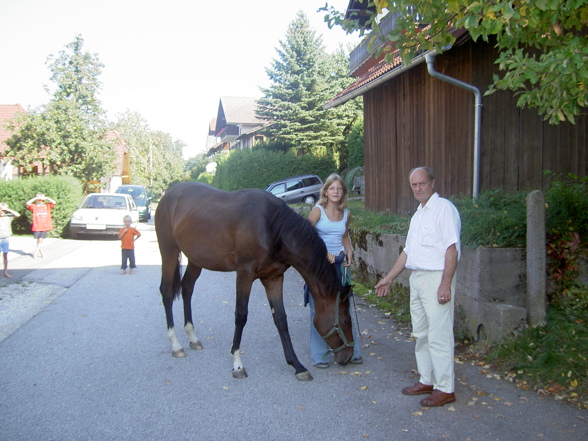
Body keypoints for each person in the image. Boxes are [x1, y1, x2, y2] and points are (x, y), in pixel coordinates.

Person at [375, 167, 461, 407]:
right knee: (421, 334)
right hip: (418, 278)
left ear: (432, 183)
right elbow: (408, 252)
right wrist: (389, 278)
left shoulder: (444, 209)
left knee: (439, 335)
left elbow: (451, 249)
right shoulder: (417, 216)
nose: (418, 188)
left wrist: (445, 284)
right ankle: (427, 380)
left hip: (437, 279)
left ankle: (445, 388)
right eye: (414, 185)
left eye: (422, 183)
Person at [306, 173, 362, 368]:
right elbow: (306, 236)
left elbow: (344, 236)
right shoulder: (317, 211)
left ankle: (352, 351)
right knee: (319, 309)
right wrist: (323, 252)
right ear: (326, 192)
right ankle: (320, 356)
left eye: (339, 188)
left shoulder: (346, 214)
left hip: (340, 264)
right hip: (320, 267)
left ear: (343, 192)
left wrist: (349, 252)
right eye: (332, 188)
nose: (336, 192)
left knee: (344, 308)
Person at [26, 193, 56, 258]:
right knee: (39, 240)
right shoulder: (34, 206)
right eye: (39, 200)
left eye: (42, 200)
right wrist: (36, 198)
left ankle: (37, 253)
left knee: (40, 240)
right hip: (37, 225)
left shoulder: (47, 205)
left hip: (44, 225)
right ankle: (40, 253)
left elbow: (54, 202)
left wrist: (47, 198)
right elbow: (28, 203)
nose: (41, 201)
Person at [0, 202, 20, 278]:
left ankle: (5, 271)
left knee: (5, 255)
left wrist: (7, 209)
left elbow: (17, 215)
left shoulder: (8, 217)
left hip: (5, 238)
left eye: (3, 211)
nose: (2, 212)